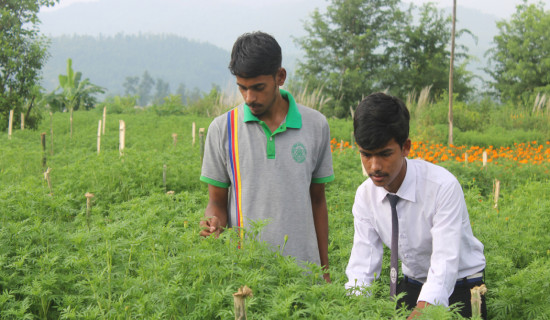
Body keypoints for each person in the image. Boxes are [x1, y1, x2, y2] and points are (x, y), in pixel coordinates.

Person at [199, 31, 334, 281]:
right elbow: (216, 202)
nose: (250, 97)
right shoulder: (222, 129)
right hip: (246, 274)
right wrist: (213, 222)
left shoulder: (316, 125)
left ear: (280, 77)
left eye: (258, 88)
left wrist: (324, 270)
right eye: (242, 88)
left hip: (304, 274)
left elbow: (318, 201)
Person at [345, 92, 487, 319]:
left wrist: (422, 313)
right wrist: (353, 310)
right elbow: (363, 265)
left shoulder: (442, 187)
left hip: (461, 288)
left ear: (406, 147)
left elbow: (444, 266)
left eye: (384, 154)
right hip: (412, 285)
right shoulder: (365, 195)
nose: (374, 166)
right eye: (366, 154)